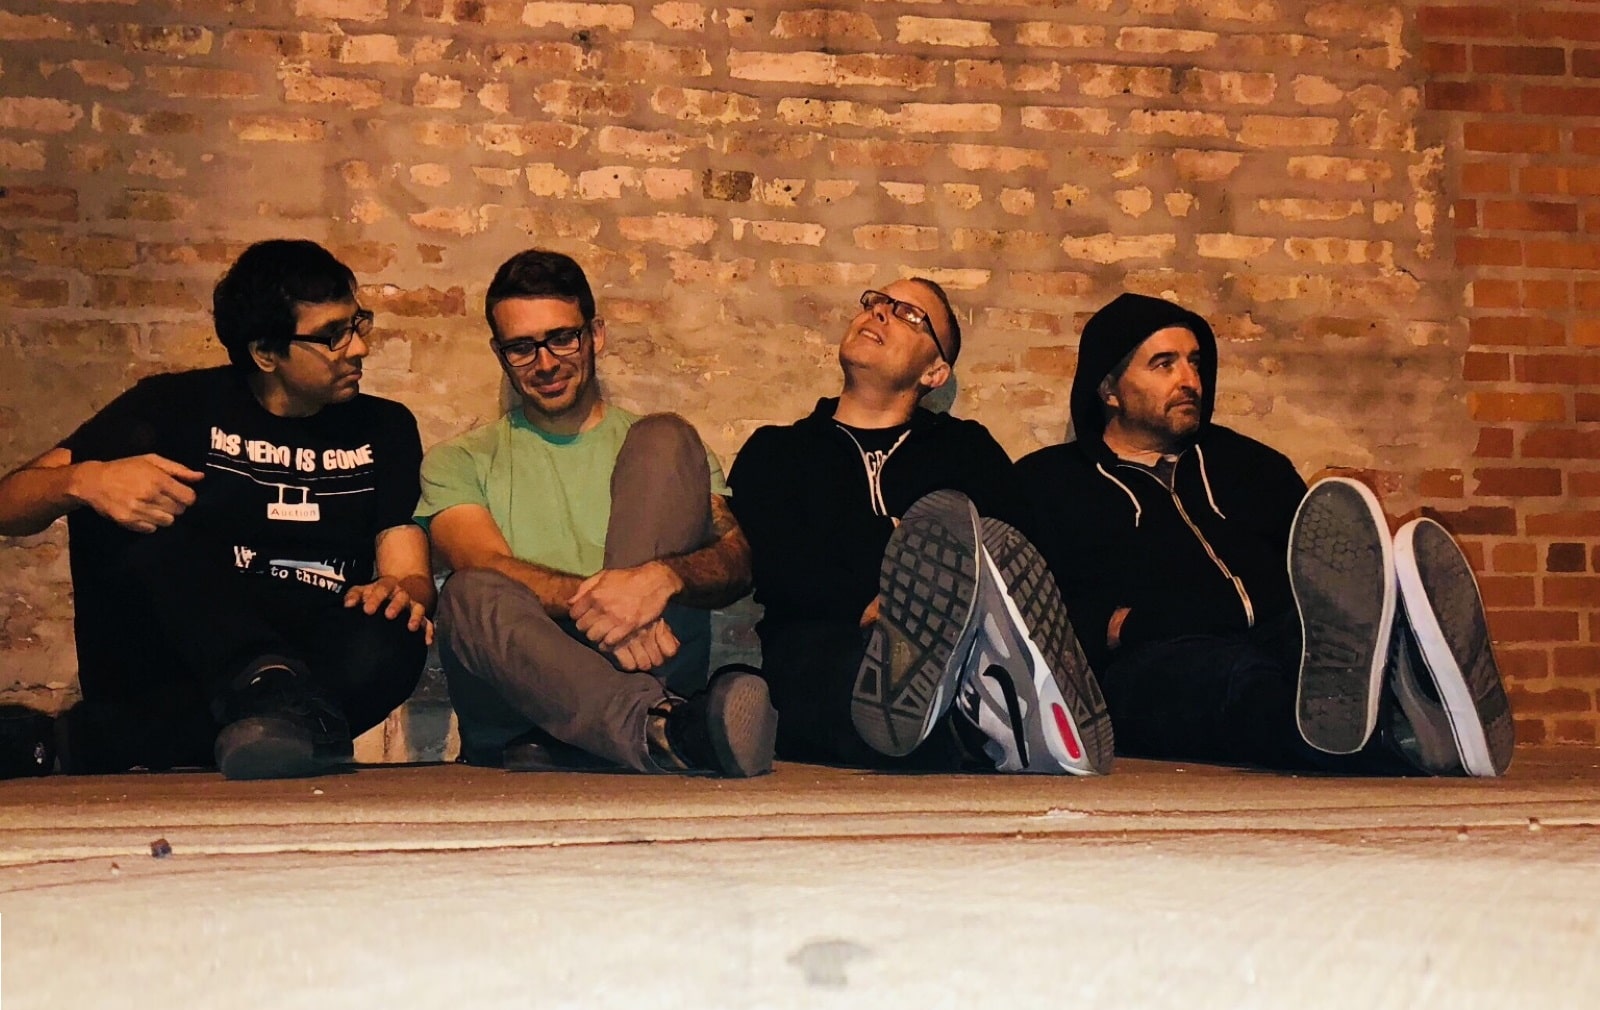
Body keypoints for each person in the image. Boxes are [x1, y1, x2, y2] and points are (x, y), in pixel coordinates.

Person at [1014, 292, 1515, 776]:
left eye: (1194, 362)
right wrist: (1125, 626)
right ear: (1109, 390)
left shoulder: (1252, 466)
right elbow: (1040, 615)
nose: (1189, 380)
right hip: (1151, 666)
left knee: (1322, 652)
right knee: (1237, 679)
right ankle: (1405, 738)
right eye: (1164, 365)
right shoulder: (1050, 482)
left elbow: (1317, 572)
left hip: (1282, 637)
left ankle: (1427, 684)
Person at [0, 239, 433, 780]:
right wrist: (84, 481)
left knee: (396, 633)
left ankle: (94, 740)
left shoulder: (385, 427)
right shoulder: (174, 407)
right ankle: (272, 699)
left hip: (313, 653)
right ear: (265, 353)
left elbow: (409, 571)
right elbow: (8, 504)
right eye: (332, 336)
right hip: (182, 654)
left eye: (357, 323)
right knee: (129, 500)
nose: (359, 348)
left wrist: (404, 592)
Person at [729, 280, 1114, 774]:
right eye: (876, 302)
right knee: (848, 683)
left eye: (909, 314)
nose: (880, 313)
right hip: (819, 650)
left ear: (935, 371)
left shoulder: (967, 450)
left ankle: (996, 711)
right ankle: (995, 729)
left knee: (951, 648)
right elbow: (778, 567)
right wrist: (895, 590)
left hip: (957, 651)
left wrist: (907, 575)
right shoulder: (776, 451)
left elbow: (1010, 557)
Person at [417, 249, 775, 777]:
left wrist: (658, 580)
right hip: (525, 698)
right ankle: (660, 728)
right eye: (521, 348)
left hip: (650, 669)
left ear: (596, 335)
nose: (545, 363)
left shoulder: (667, 454)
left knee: (665, 436)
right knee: (468, 593)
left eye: (562, 337)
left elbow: (737, 562)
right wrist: (614, 606)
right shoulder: (459, 460)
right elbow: (483, 562)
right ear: (500, 354)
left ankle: (648, 725)